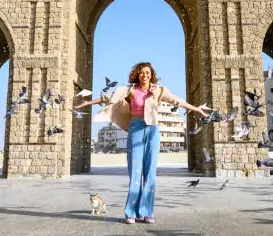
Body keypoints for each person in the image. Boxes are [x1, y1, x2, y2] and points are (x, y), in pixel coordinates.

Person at [74, 61, 209, 224]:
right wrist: (87, 103)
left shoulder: (159, 90)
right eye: (142, 72)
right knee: (135, 172)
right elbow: (107, 98)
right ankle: (131, 212)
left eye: (148, 72)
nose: (145, 75)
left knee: (150, 173)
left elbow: (177, 101)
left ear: (152, 74)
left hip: (152, 131)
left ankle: (147, 212)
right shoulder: (129, 90)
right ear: (137, 74)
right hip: (135, 129)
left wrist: (197, 109)